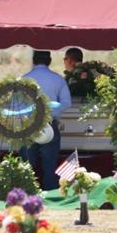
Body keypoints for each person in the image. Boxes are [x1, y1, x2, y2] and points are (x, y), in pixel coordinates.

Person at [22, 50, 72, 190]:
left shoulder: (24, 79)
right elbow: (66, 103)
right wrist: (49, 111)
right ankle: (50, 196)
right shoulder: (58, 79)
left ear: (34, 60)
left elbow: (17, 104)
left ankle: (27, 195)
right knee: (49, 166)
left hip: (28, 125)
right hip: (49, 124)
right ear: (49, 60)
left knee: (27, 166)